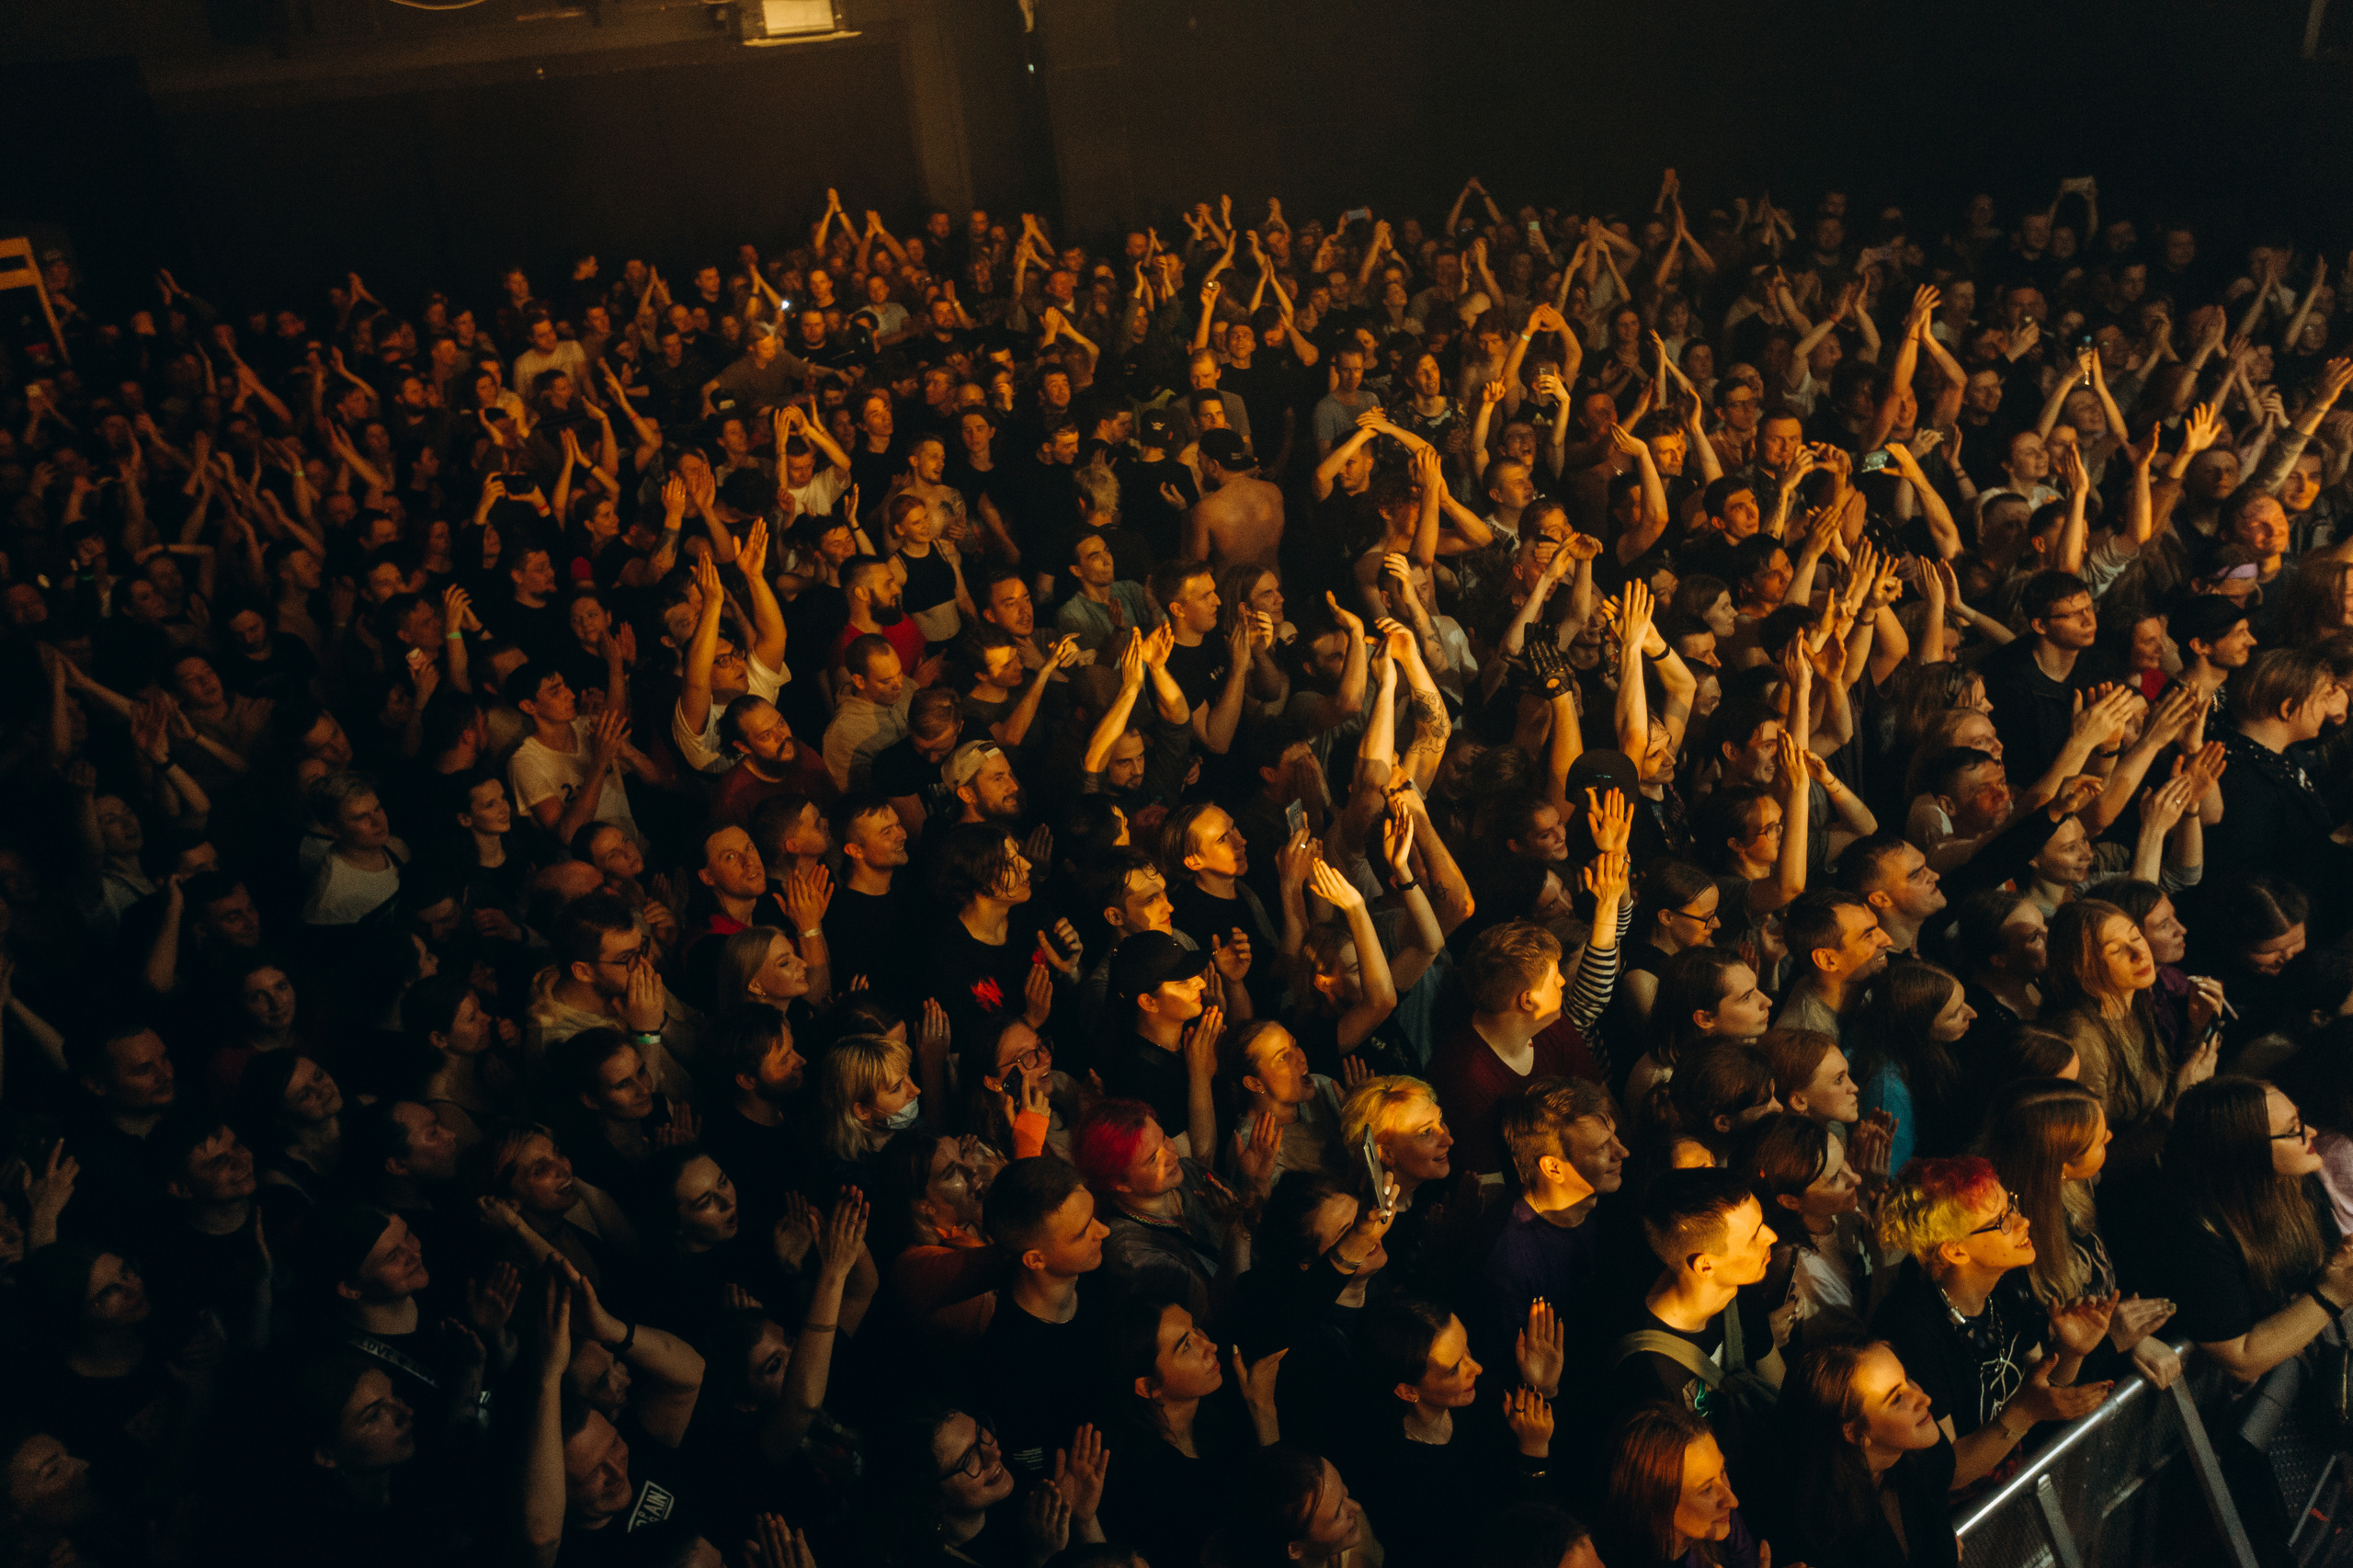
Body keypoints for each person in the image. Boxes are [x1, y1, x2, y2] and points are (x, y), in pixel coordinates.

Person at [1870, 1154, 2116, 1493]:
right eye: (2001, 1221)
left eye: (2011, 1206)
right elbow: (1948, 1471)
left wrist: (2071, 1352)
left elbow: (2042, 1395)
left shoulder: (2008, 1287)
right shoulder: (1910, 1328)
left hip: (2020, 1485)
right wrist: (2022, 1415)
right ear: (1955, 1251)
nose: (2023, 1221)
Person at [1768, 1341, 1961, 1568]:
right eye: (1896, 1398)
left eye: (1907, 1379)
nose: (1923, 1399)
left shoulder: (1926, 1457)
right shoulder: (1819, 1526)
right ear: (1854, 1432)